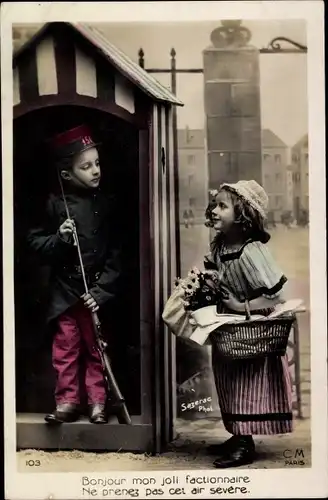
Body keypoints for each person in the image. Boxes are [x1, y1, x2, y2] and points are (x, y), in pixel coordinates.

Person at [27, 124, 121, 425]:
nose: (95, 171)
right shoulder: (55, 205)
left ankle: (97, 402)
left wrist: (101, 292)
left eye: (96, 163)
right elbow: (36, 244)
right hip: (64, 293)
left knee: (96, 348)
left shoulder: (107, 205)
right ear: (67, 174)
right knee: (66, 348)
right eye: (86, 166)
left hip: (94, 294)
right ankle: (67, 401)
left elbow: (116, 256)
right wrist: (61, 237)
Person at [203, 180, 292, 468]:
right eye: (214, 204)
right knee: (228, 378)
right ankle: (237, 432)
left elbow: (276, 294)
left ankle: (245, 441)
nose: (214, 210)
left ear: (242, 217)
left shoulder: (251, 250)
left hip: (253, 328)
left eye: (222, 206)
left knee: (246, 381)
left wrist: (240, 306)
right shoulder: (220, 246)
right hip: (232, 327)